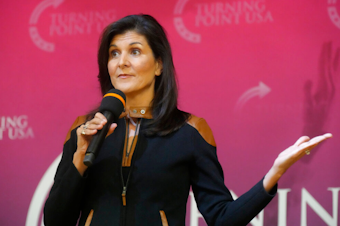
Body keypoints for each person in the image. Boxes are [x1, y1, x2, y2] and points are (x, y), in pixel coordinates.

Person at [43, 14, 332, 226]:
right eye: (114, 53)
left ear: (158, 64)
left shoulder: (189, 131)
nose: (121, 63)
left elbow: (221, 217)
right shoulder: (85, 129)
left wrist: (273, 175)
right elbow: (56, 220)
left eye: (134, 52)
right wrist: (80, 158)